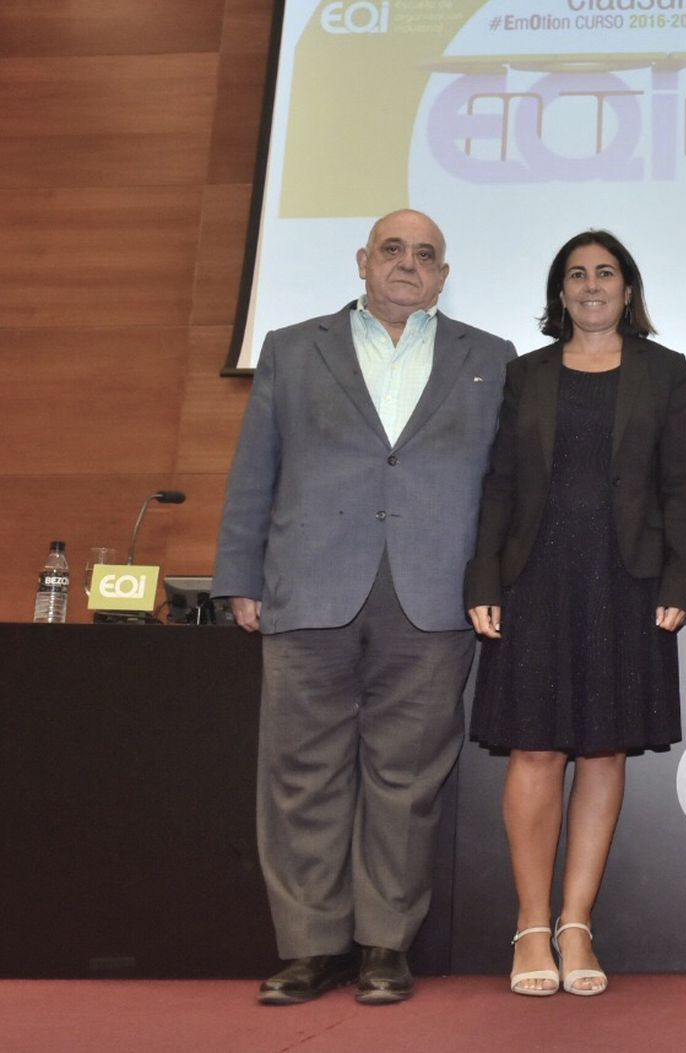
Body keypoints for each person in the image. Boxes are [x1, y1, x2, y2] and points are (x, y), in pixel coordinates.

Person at [213, 209, 515, 1005]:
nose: (408, 264)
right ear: (362, 261)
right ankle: (310, 946)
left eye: (425, 255)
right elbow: (256, 470)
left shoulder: (490, 357)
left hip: (434, 594)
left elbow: (503, 489)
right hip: (309, 587)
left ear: (443, 275)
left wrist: (498, 582)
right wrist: (239, 574)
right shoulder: (289, 346)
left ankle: (385, 943)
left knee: (408, 781)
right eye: (393, 250)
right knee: (301, 777)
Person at [463, 230, 686, 997]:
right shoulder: (523, 374)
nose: (591, 285)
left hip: (625, 582)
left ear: (628, 290)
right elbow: (498, 484)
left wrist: (678, 578)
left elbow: (676, 488)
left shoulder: (663, 372)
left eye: (606, 273)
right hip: (533, 578)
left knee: (603, 750)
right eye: (576, 274)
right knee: (535, 748)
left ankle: (576, 922)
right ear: (558, 293)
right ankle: (531, 925)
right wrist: (483, 577)